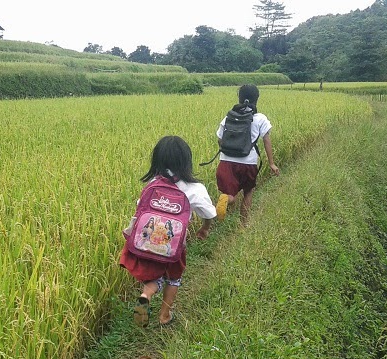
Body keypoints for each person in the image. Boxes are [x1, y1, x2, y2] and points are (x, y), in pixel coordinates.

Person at [119, 135, 216, 327]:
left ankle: (146, 295)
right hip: (174, 246)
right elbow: (209, 213)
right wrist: (205, 228)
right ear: (186, 160)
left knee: (154, 276)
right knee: (174, 278)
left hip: (148, 241)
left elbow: (140, 209)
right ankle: (164, 315)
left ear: (157, 160)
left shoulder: (153, 184)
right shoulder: (195, 188)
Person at [214, 84, 281, 225]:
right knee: (248, 191)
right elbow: (267, 140)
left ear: (239, 98)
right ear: (256, 99)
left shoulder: (229, 117)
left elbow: (220, 139)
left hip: (226, 162)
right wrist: (271, 163)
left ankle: (227, 199)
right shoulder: (260, 118)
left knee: (230, 195)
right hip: (248, 163)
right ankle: (244, 224)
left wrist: (228, 152)